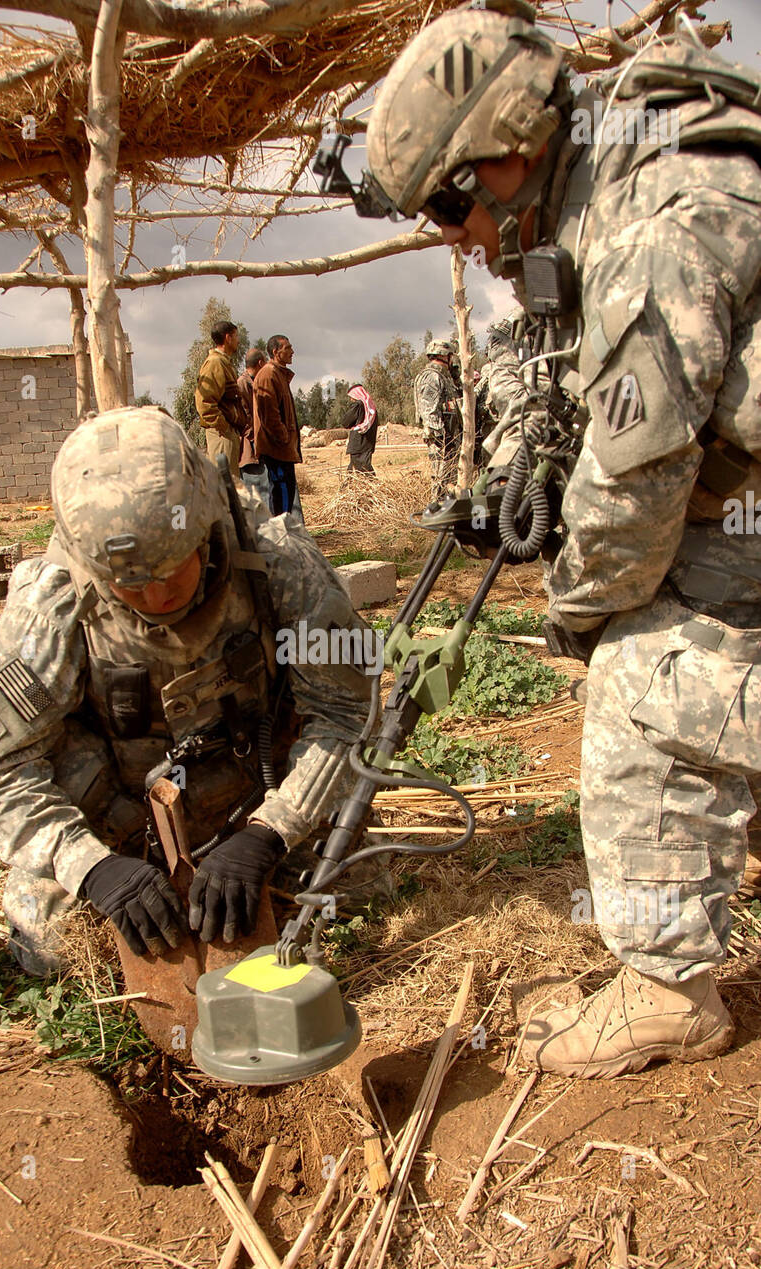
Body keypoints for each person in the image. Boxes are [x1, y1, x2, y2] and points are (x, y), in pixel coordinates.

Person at [360, 0, 761, 1077]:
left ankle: (664, 989)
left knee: (632, 667)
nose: (456, 240)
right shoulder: (622, 174)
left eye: (449, 210)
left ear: (504, 159)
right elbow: (573, 379)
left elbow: (631, 501)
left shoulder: (642, 231)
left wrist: (574, 608)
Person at [0, 405, 376, 975]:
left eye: (171, 570)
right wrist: (92, 869)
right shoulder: (51, 604)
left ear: (203, 523)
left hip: (258, 802)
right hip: (116, 826)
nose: (156, 600)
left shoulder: (279, 563)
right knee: (50, 946)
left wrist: (270, 831)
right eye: (128, 584)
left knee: (358, 891)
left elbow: (348, 711)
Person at [253, 334, 304, 522]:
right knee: (282, 494)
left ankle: (284, 535)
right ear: (275, 352)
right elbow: (270, 415)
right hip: (277, 450)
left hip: (282, 449)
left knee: (286, 493)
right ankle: (281, 537)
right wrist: (283, 437)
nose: (292, 352)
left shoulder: (278, 374)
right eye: (288, 348)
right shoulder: (268, 374)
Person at [413, 339, 463, 503]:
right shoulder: (432, 377)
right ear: (445, 356)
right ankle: (438, 514)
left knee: (448, 478)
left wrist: (457, 379)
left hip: (448, 436)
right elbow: (429, 409)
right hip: (441, 438)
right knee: (441, 479)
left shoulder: (442, 376)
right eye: (451, 357)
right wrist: (441, 435)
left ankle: (446, 513)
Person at [195, 320, 246, 478]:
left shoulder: (223, 363)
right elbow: (204, 403)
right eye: (236, 336)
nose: (238, 340)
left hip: (226, 433)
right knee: (225, 485)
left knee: (230, 484)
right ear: (228, 338)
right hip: (221, 435)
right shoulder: (215, 363)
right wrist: (223, 427)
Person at [237, 347, 271, 513]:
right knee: (255, 493)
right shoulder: (243, 384)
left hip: (261, 444)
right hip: (250, 447)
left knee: (264, 492)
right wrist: (254, 436)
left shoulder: (257, 381)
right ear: (260, 363)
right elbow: (244, 416)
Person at [341, 384, 379, 477]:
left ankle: (372, 487)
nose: (351, 400)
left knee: (359, 470)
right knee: (364, 467)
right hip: (368, 444)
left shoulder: (357, 405)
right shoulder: (371, 408)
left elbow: (345, 422)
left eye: (352, 397)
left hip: (358, 444)